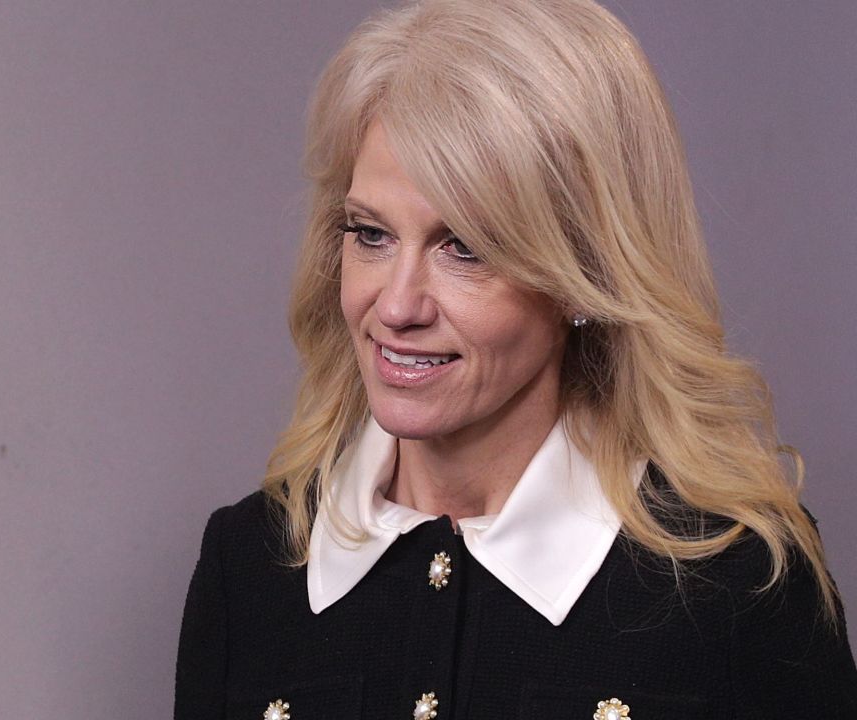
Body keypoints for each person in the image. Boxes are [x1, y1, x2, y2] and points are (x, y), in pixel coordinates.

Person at [174, 0, 857, 717]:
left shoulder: (734, 580)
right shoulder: (250, 566)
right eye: (371, 234)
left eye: (465, 247)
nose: (398, 305)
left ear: (585, 274)